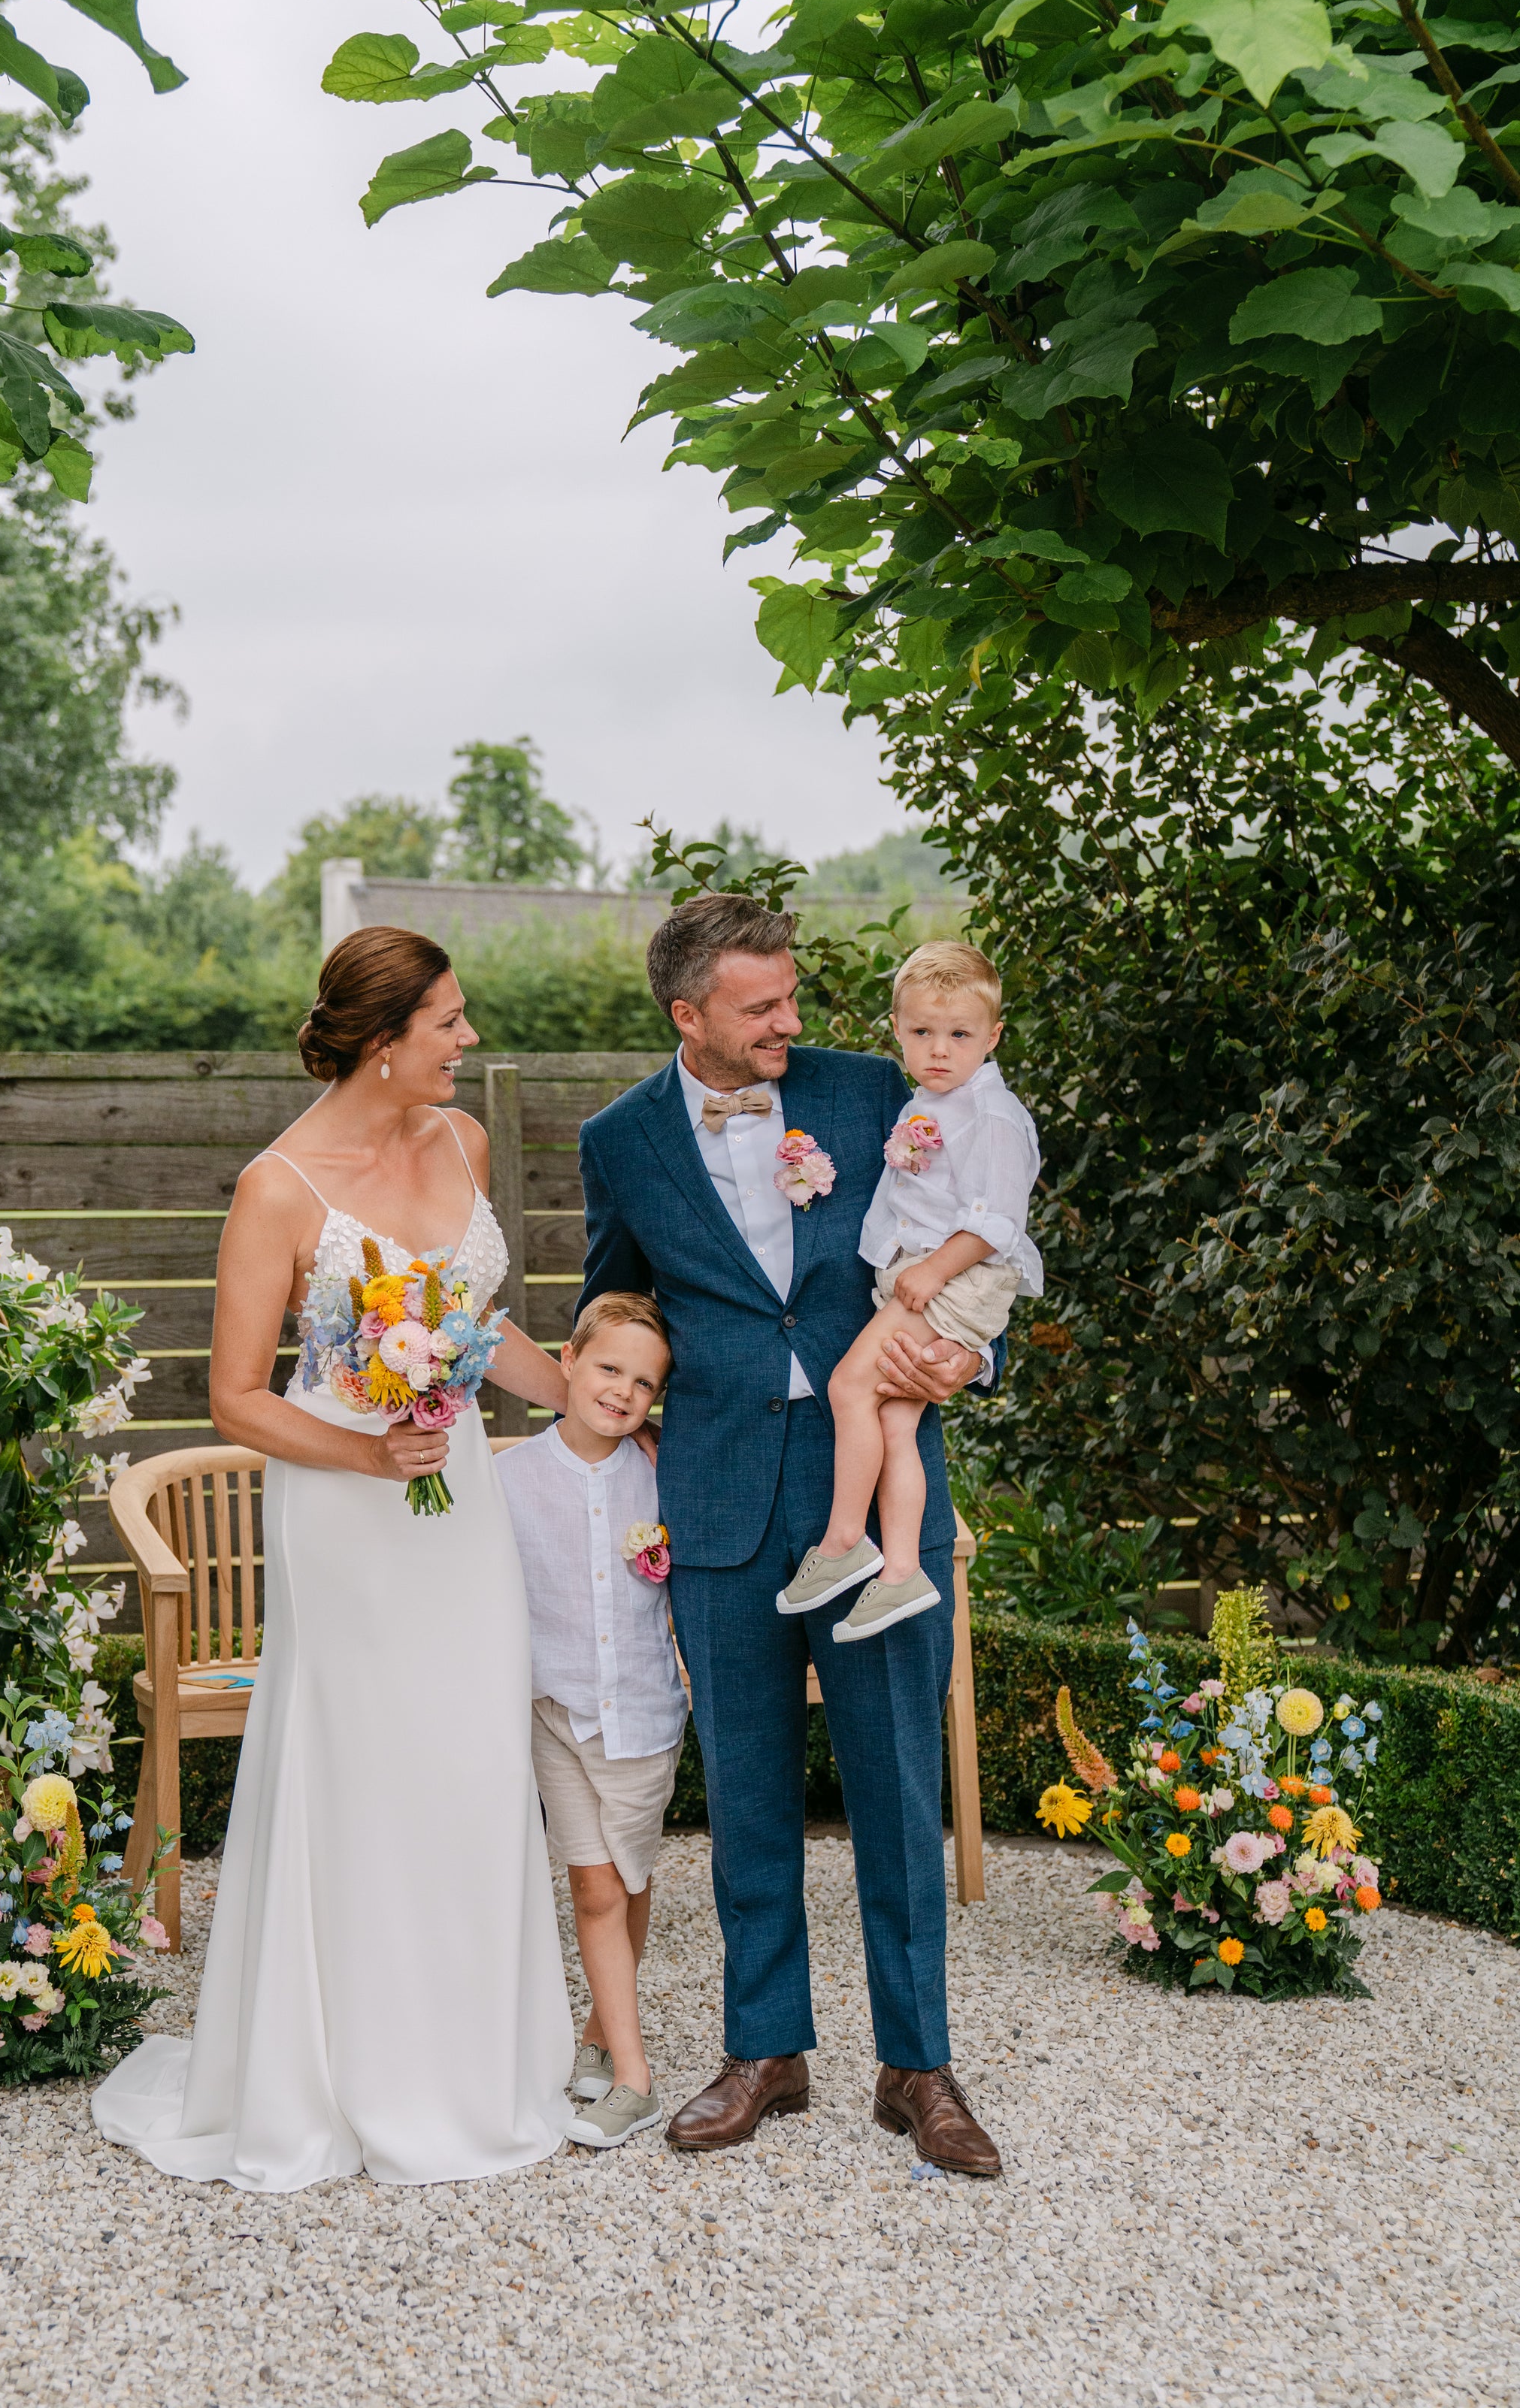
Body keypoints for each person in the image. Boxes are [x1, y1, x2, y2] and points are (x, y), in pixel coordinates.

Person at [90, 926, 574, 2189]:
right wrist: (368, 1458)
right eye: (450, 1023)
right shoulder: (280, 1188)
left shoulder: (462, 1142)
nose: (469, 1041)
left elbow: (480, 1322)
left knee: (471, 1755)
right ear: (380, 1041)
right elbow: (238, 1399)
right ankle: (342, 2074)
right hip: (346, 1504)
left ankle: (475, 2066)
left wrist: (580, 1394)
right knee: (363, 1765)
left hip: (455, 1498)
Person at [577, 891, 1004, 2175]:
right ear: (687, 1012)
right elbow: (615, 1294)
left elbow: (983, 1223)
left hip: (874, 1492)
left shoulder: (882, 1090)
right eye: (761, 1006)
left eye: (794, 996)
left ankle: (917, 2068)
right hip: (713, 1496)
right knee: (749, 1792)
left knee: (894, 1779)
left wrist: (965, 1362)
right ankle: (766, 2050)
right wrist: (624, 1411)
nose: (788, 1021)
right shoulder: (620, 1138)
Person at [780, 939, 1041, 1644]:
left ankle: (842, 1542)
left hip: (950, 1279)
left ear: (993, 1037)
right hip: (929, 1275)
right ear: (896, 1027)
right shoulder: (935, 1101)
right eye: (922, 1032)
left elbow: (997, 1222)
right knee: (895, 1420)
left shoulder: (990, 1115)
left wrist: (933, 1269)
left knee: (847, 1390)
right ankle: (900, 1570)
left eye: (960, 1035)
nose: (939, 1050)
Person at [497, 1291, 688, 2151]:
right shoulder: (507, 1479)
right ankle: (638, 2081)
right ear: (565, 1364)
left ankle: (599, 2037)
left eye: (644, 1383)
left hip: (644, 1715)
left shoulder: (660, 1474)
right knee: (594, 1886)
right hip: (554, 1707)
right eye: (609, 1368)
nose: (623, 1392)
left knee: (630, 1881)